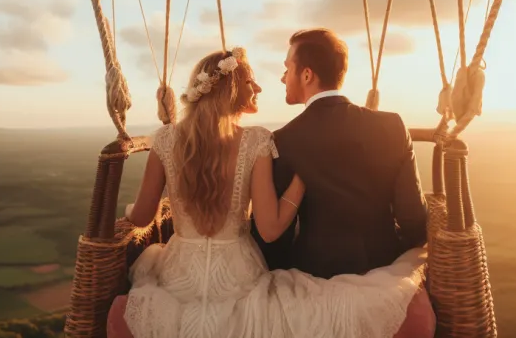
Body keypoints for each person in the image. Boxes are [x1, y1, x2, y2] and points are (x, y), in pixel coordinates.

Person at [110, 45, 432, 338]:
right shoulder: (256, 140)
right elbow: (270, 227)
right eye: (251, 81)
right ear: (231, 88)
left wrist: (127, 212)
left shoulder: (165, 139)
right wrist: (301, 180)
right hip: (237, 277)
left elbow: (142, 216)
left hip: (177, 275)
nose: (261, 87)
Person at [252, 28, 429, 278]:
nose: (282, 78)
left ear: (306, 75)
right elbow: (413, 221)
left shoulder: (284, 140)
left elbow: (277, 241)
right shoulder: (393, 126)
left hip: (315, 275)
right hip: (384, 267)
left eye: (287, 68)